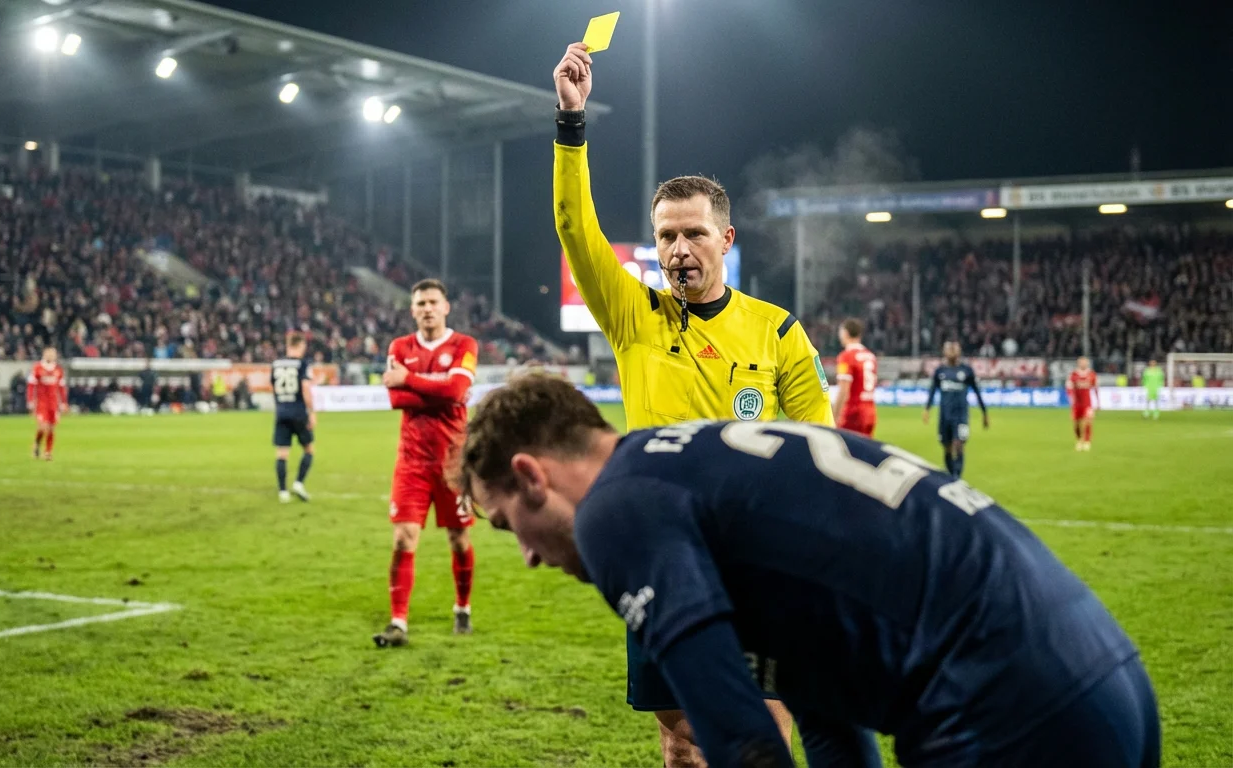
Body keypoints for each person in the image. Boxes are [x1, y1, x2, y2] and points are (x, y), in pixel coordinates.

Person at [458, 374, 1160, 768]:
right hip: (1101, 671)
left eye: (504, 525)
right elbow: (828, 721)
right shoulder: (694, 469)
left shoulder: (616, 508)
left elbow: (742, 741)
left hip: (1002, 706)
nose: (525, 554)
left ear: (531, 476)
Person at [552, 42, 834, 761]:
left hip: (757, 558)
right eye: (666, 236)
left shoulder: (777, 331)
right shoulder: (631, 315)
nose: (679, 249)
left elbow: (823, 451)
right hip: (660, 557)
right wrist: (571, 123)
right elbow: (574, 228)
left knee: (765, 737)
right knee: (682, 747)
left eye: (694, 234)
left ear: (726, 239)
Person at [374, 278, 479, 648]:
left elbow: (457, 391)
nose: (427, 308)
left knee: (459, 539)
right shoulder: (400, 346)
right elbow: (396, 399)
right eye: (420, 303)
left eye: (433, 301)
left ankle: (462, 608)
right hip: (412, 463)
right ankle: (398, 621)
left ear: (446, 306)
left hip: (454, 463)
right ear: (413, 309)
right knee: (403, 539)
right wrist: (431, 389)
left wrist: (410, 380)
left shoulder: (464, 345)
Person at [924, 342, 988, 478]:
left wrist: (984, 413)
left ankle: (957, 477)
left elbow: (977, 391)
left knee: (959, 445)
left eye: (954, 349)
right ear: (944, 352)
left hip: (961, 416)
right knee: (947, 447)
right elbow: (932, 391)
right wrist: (927, 409)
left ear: (959, 352)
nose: (951, 351)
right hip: (944, 416)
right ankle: (952, 474)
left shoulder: (966, 370)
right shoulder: (940, 371)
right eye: (948, 349)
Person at [270, 332, 317, 503]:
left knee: (282, 453)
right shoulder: (302, 364)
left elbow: (273, 387)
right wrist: (311, 412)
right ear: (299, 346)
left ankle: (283, 492)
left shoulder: (276, 364)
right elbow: (305, 388)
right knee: (309, 449)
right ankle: (298, 483)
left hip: (281, 411)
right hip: (298, 412)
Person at [832, 319, 877, 437]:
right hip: (870, 412)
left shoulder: (846, 357)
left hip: (853, 414)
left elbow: (843, 391)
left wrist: (834, 416)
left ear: (845, 333)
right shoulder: (870, 356)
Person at [27, 347, 67, 460]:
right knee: (43, 427)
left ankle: (48, 452)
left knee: (51, 428)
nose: (51, 356)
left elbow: (62, 387)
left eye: (53, 354)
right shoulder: (37, 368)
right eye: (49, 354)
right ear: (44, 354)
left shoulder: (58, 370)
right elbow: (31, 385)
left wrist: (63, 402)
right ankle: (37, 443)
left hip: (53, 403)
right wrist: (30, 401)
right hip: (41, 402)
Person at [1067, 357, 1099, 451]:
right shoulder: (1074, 374)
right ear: (1078, 363)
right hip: (1077, 403)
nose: (1083, 364)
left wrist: (1098, 402)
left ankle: (1087, 441)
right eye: (1081, 363)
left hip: (1087, 403)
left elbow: (1096, 388)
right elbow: (1069, 387)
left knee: (1088, 421)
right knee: (1076, 424)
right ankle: (1079, 440)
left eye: (1085, 363)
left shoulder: (1091, 374)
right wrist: (1070, 397)